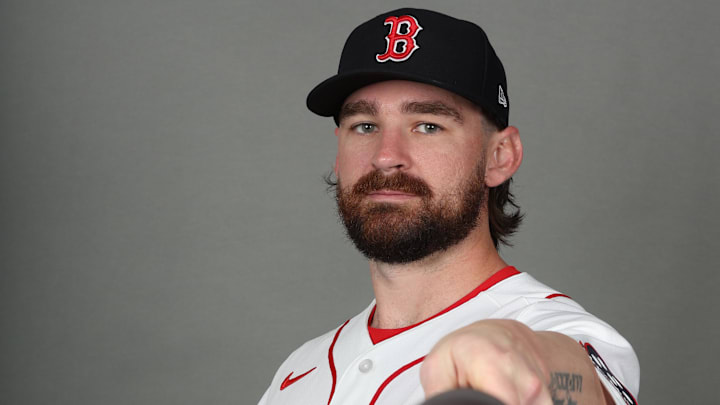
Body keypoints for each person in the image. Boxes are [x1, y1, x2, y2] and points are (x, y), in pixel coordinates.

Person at [258, 8, 639, 405]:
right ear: (338, 151)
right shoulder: (298, 373)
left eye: (428, 125)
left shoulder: (556, 329)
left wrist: (530, 360)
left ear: (500, 157)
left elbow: (577, 379)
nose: (386, 156)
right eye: (365, 126)